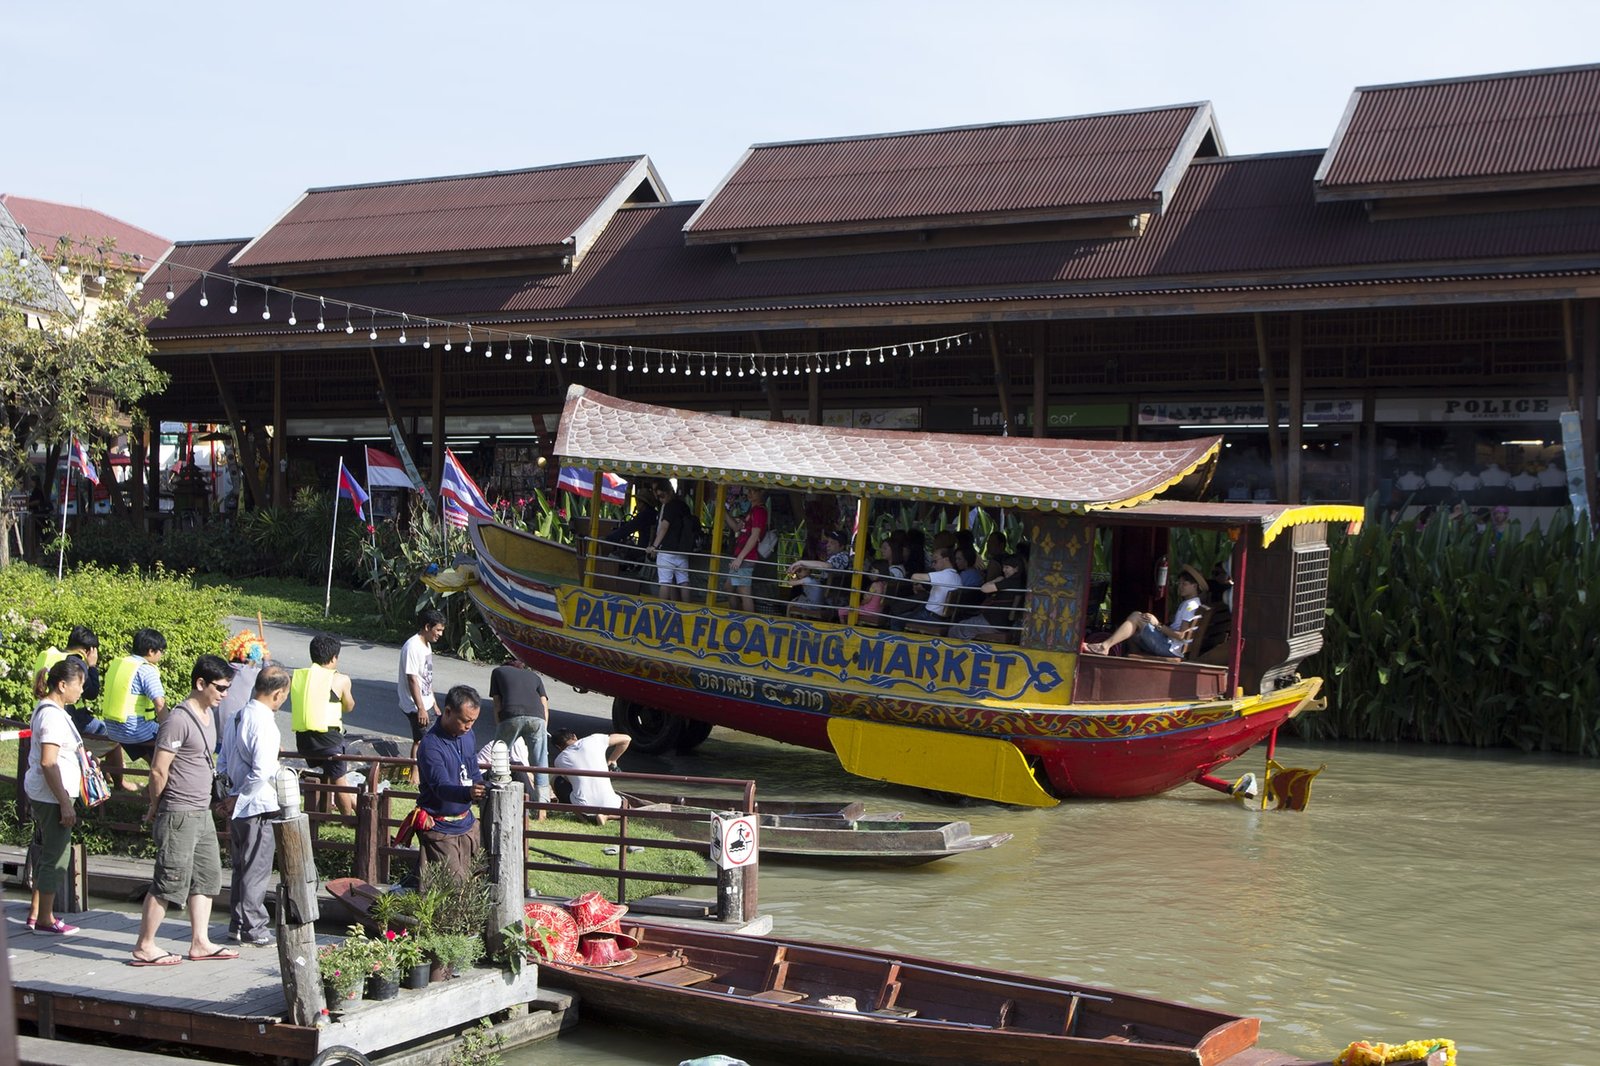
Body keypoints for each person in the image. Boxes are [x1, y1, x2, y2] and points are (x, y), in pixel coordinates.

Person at [130, 654, 238, 966]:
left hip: (201, 810)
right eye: (219, 688)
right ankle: (145, 945)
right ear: (200, 683)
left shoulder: (208, 716)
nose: (224, 694)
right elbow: (158, 770)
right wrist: (155, 807)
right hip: (178, 812)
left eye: (227, 688)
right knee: (169, 879)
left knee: (206, 876)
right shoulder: (177, 720)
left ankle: (200, 941)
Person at [221, 664, 289, 947]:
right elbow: (262, 771)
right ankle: (255, 927)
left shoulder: (236, 717)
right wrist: (241, 796)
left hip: (238, 803)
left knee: (241, 866)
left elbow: (222, 761)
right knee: (257, 868)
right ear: (277, 694)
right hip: (257, 805)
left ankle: (237, 924)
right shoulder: (264, 723)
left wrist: (231, 795)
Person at [24, 657, 89, 935]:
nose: (82, 691)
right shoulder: (51, 714)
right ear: (62, 685)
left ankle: (36, 912)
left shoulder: (54, 711)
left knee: (50, 852)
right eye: (79, 685)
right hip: (52, 795)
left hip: (50, 793)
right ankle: (46, 919)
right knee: (56, 855)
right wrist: (65, 802)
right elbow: (48, 762)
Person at [415, 684, 487, 882]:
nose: (469, 726)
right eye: (464, 721)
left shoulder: (468, 736)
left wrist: (482, 786)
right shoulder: (430, 746)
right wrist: (469, 793)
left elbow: (473, 769)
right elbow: (440, 787)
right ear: (447, 712)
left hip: (467, 822)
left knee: (478, 882)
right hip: (441, 828)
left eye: (473, 721)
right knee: (453, 889)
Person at [1084, 564, 1207, 659]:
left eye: (1184, 584)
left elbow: (1181, 635)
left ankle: (1104, 646)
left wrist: (1157, 624)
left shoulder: (1190, 606)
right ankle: (1133, 663)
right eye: (1179, 583)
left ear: (1195, 586)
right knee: (1131, 631)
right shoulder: (1191, 603)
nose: (1180, 587)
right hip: (1172, 646)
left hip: (1170, 649)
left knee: (1136, 616)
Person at [293, 634, 358, 816]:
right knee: (340, 782)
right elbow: (349, 706)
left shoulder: (300, 677)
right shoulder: (340, 679)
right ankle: (348, 820)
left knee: (328, 773)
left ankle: (327, 813)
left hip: (304, 742)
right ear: (334, 657)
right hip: (328, 742)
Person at [101, 628, 169, 791]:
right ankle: (161, 788)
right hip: (134, 730)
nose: (162, 655)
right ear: (151, 651)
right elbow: (160, 704)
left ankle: (150, 787)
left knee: (154, 758)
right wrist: (169, 729)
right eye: (161, 651)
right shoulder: (146, 670)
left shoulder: (119, 664)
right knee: (174, 746)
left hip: (114, 729)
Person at [489, 662, 551, 812]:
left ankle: (498, 797)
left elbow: (497, 704)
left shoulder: (498, 672)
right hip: (538, 718)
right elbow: (544, 705)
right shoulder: (534, 676)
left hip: (511, 714)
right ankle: (542, 809)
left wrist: (500, 727)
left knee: (500, 756)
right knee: (540, 763)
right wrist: (543, 728)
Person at [398, 608, 446, 766]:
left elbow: (426, 676)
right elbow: (412, 679)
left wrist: (434, 703)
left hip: (426, 702)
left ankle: (424, 771)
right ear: (427, 627)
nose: (440, 634)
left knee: (431, 738)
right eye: (438, 630)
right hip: (415, 704)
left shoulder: (426, 645)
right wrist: (421, 708)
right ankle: (414, 775)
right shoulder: (412, 647)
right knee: (421, 741)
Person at [551, 731, 630, 825]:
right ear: (575, 736)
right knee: (625, 806)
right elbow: (627, 739)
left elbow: (570, 781)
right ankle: (607, 816)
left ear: (559, 747)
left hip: (584, 808)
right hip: (613, 805)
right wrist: (612, 759)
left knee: (555, 780)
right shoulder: (595, 739)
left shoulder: (559, 760)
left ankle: (583, 818)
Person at [949, 554, 1028, 641]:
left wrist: (997, 579)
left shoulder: (1010, 582)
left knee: (956, 630)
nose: (1003, 570)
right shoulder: (1020, 582)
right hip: (999, 622)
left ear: (1016, 569)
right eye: (1003, 567)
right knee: (963, 624)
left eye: (1007, 567)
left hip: (993, 622)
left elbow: (984, 589)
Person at [644, 480, 697, 602]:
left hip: (667, 550)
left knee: (665, 582)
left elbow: (664, 527)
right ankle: (686, 608)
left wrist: (654, 546)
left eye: (662, 496)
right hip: (682, 550)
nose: (661, 500)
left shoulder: (669, 507)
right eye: (658, 497)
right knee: (684, 581)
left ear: (669, 492)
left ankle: (662, 610)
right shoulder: (684, 506)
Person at [726, 486, 767, 614]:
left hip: (746, 557)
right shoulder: (752, 510)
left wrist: (739, 558)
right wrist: (723, 511)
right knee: (730, 588)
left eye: (753, 490)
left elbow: (755, 536)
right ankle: (737, 615)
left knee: (744, 591)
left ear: (761, 492)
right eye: (748, 490)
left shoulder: (759, 511)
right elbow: (736, 528)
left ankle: (746, 621)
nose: (749, 493)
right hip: (741, 555)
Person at [907, 547, 963, 626]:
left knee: (897, 621)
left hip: (930, 617)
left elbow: (914, 576)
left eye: (935, 561)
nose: (933, 565)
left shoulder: (944, 575)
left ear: (946, 559)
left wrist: (916, 583)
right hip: (942, 618)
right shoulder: (957, 577)